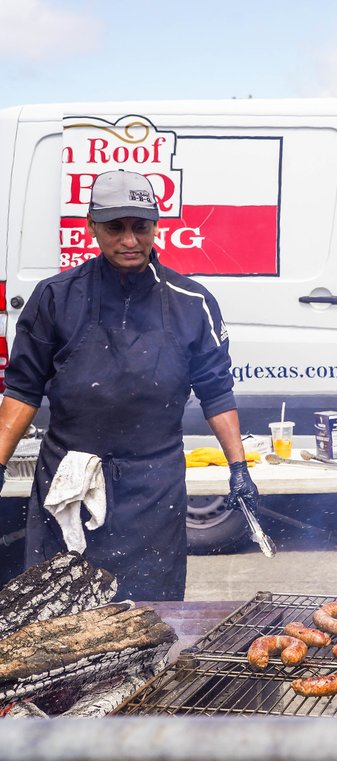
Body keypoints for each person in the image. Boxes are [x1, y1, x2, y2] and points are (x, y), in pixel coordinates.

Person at [0, 169, 258, 601]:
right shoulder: (55, 297)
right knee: (57, 620)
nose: (129, 240)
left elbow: (216, 391)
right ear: (92, 227)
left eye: (141, 227)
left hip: (154, 489)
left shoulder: (192, 302)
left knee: (150, 616)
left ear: (157, 226)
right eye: (115, 228)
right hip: (68, 479)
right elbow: (23, 390)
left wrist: (239, 469)